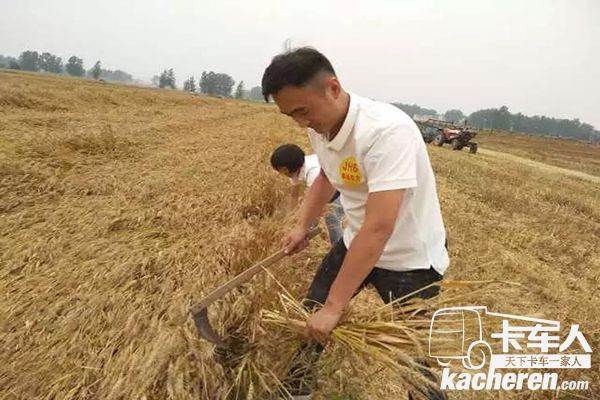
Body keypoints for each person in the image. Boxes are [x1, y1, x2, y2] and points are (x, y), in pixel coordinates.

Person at [261, 47, 450, 399]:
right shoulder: (320, 126)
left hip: (409, 260)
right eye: (291, 115)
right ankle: (296, 390)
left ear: (333, 88)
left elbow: (379, 227)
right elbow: (326, 177)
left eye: (303, 111)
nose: (301, 123)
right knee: (311, 319)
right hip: (356, 242)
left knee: (411, 358)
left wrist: (337, 306)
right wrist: (303, 225)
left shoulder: (386, 132)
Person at [270, 143, 344, 245]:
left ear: (285, 169)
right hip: (328, 189)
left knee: (332, 221)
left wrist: (300, 223)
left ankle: (339, 248)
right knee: (309, 220)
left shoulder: (313, 171)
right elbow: (294, 195)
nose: (280, 173)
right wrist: (289, 219)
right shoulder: (295, 170)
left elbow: (312, 200)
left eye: (279, 170)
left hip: (339, 191)